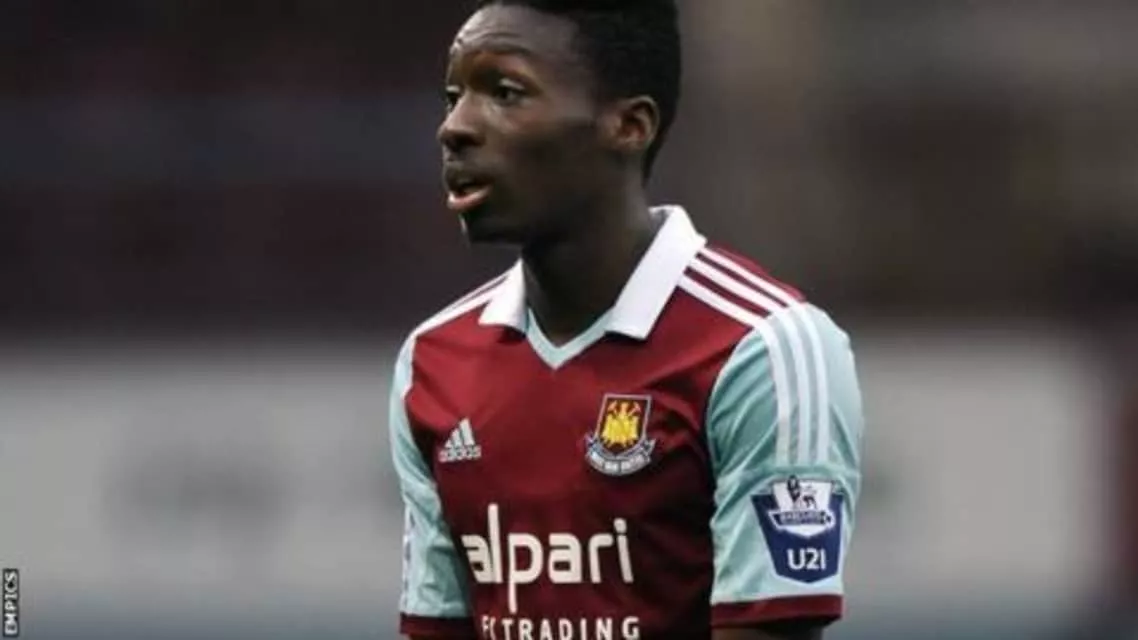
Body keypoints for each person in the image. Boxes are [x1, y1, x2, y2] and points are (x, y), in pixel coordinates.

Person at [388, 1, 865, 638]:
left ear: (629, 125)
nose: (455, 128)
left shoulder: (762, 347)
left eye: (505, 93)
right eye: (454, 98)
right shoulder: (432, 363)